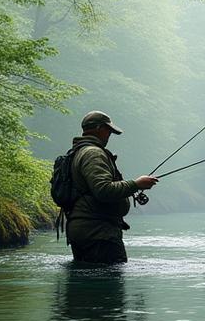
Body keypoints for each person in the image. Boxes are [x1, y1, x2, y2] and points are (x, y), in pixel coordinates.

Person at [66, 110, 158, 263]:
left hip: (87, 230)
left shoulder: (78, 151)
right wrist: (136, 184)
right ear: (99, 128)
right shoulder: (93, 153)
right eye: (108, 130)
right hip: (98, 233)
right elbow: (103, 190)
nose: (109, 135)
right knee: (108, 284)